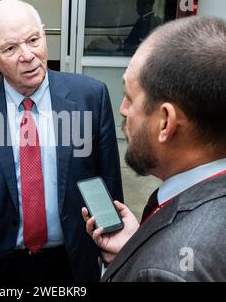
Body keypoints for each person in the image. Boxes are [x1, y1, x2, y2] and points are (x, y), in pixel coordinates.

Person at [0, 0, 123, 283]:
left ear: (44, 36)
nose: (27, 55)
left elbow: (109, 179)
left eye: (33, 39)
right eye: (10, 48)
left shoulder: (90, 97)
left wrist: (109, 242)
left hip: (74, 259)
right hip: (2, 263)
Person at [83, 16, 226, 281]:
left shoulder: (167, 272)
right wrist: (136, 246)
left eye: (129, 97)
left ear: (166, 122)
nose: (122, 109)